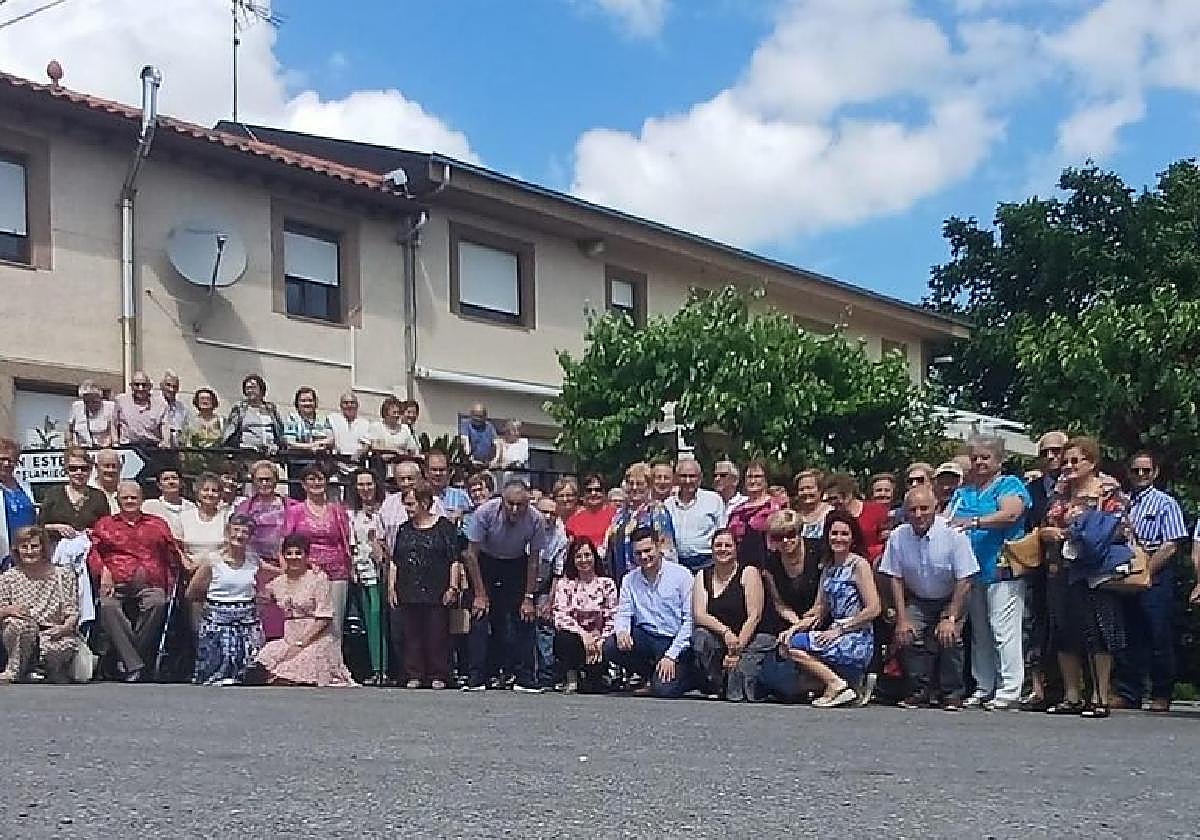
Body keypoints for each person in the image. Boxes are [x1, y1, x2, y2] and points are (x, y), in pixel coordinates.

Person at [1042, 436, 1128, 718]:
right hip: (1062, 567)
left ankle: (1100, 696)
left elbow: (1121, 528)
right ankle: (1071, 695)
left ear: (1091, 462)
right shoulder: (1060, 490)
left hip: (1095, 568)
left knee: (1100, 631)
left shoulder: (1106, 491)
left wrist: (1078, 533)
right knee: (1064, 630)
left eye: (1074, 460)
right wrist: (1049, 533)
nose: (1068, 466)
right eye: (1065, 461)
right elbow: (1048, 522)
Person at [948, 435, 1030, 710]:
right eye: (975, 458)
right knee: (980, 632)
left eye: (985, 457)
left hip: (1002, 567)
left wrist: (974, 522)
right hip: (972, 571)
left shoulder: (1009, 485)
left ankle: (1010, 688)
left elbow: (1010, 515)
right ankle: (984, 685)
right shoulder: (964, 491)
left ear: (998, 460)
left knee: (1002, 629)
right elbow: (948, 520)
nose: (980, 462)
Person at [880, 487, 979, 710]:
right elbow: (894, 577)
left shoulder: (954, 533)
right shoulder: (899, 536)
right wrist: (902, 618)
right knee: (908, 634)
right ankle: (918, 690)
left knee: (949, 636)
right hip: (919, 598)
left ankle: (952, 692)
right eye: (913, 509)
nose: (918, 514)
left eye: (924, 508)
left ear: (935, 508)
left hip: (952, 595)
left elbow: (966, 578)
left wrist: (951, 616)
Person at [780, 510, 880, 707]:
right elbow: (819, 610)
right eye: (834, 533)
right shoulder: (828, 567)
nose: (838, 538)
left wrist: (841, 629)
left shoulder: (858, 565)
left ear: (852, 538)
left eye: (844, 534)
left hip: (855, 635)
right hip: (833, 633)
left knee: (794, 647)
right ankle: (849, 682)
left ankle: (836, 684)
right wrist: (792, 629)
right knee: (788, 644)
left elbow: (874, 608)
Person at [1112, 451, 1187, 712]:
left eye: (1146, 470)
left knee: (1158, 634)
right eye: (1136, 471)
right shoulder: (1122, 502)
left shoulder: (1166, 503)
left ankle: (1161, 693)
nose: (1141, 475)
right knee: (1127, 635)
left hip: (1155, 571)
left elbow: (1172, 544)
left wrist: (1147, 572)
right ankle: (1128, 692)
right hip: (1125, 570)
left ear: (1155, 473)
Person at [87, 481, 183, 682]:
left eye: (134, 498)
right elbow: (93, 553)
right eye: (125, 498)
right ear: (118, 500)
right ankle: (136, 663)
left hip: (150, 582)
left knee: (157, 602)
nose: (130, 501)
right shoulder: (105, 524)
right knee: (107, 606)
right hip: (115, 581)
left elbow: (172, 552)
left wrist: (176, 573)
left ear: (141, 500)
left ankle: (128, 661)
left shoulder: (157, 524)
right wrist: (103, 571)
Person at [461, 480, 545, 692]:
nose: (515, 510)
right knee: (480, 615)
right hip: (485, 561)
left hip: (516, 563)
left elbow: (534, 559)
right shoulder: (485, 512)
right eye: (510, 504)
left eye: (520, 505)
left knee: (524, 617)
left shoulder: (536, 519)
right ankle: (477, 677)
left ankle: (524, 678)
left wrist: (528, 597)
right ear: (502, 500)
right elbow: (471, 555)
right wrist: (480, 594)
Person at [603, 527, 696, 697]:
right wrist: (622, 631)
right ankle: (650, 674)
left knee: (664, 690)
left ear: (659, 546)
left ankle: (690, 677)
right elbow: (623, 612)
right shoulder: (629, 579)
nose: (644, 557)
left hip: (675, 641)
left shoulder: (682, 575)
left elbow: (690, 621)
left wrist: (671, 655)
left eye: (648, 550)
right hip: (647, 637)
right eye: (638, 553)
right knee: (611, 645)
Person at [255, 534, 356, 687]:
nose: (293, 557)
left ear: (306, 556)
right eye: (289, 553)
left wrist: (302, 642)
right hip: (289, 638)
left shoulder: (318, 578)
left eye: (298, 553)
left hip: (317, 638)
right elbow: (259, 600)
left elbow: (325, 618)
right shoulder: (277, 583)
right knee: (265, 660)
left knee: (296, 666)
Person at [391, 480, 461, 689]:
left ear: (424, 503)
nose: (408, 509)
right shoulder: (403, 529)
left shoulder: (444, 527)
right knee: (411, 634)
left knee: (437, 633)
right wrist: (391, 587)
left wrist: (453, 587)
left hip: (436, 588)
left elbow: (454, 560)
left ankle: (438, 674)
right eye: (406, 504)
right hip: (408, 587)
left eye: (411, 504)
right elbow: (396, 560)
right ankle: (414, 673)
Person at [691, 529, 773, 701]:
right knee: (700, 637)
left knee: (737, 694)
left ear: (736, 548)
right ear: (711, 549)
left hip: (751, 637)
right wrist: (726, 633)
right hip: (722, 638)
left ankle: (739, 678)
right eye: (718, 545)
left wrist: (736, 650)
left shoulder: (748, 572)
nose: (723, 549)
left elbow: (754, 616)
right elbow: (700, 614)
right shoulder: (702, 575)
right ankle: (716, 681)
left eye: (728, 545)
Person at [1019, 431, 1067, 711]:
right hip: (1037, 566)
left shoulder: (1079, 487)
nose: (1051, 457)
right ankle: (1038, 689)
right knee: (1037, 627)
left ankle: (1069, 689)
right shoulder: (1033, 488)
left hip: (1071, 567)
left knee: (1067, 627)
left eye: (1056, 451)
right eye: (1045, 452)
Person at [185, 514, 263, 685]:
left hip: (247, 622)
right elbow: (192, 592)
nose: (239, 536)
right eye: (236, 531)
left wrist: (310, 568)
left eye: (245, 532)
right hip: (218, 621)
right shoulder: (212, 561)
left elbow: (280, 574)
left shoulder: (254, 560)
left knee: (249, 671)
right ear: (227, 533)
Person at [755, 509, 824, 701]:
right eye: (778, 537)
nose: (785, 541)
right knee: (769, 679)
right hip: (790, 621)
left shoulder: (818, 551)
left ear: (799, 532)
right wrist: (795, 625)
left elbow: (822, 600)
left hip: (821, 618)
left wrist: (802, 625)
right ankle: (814, 685)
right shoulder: (770, 562)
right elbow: (779, 603)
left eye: (791, 535)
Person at [0, 526, 80, 683]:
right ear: (17, 549)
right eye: (24, 547)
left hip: (53, 631)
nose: (30, 551)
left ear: (44, 548)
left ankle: (43, 670)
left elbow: (72, 612)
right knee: (18, 625)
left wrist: (63, 628)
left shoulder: (63, 575)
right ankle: (15, 670)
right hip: (22, 632)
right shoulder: (8, 578)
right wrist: (9, 610)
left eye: (35, 546)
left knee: (61, 648)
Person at [282, 465, 352, 640]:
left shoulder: (337, 510)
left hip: (336, 572)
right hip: (307, 572)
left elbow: (345, 541)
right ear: (304, 485)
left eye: (320, 478)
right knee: (309, 623)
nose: (316, 483)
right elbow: (285, 543)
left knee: (334, 622)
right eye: (311, 479)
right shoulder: (295, 511)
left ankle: (334, 663)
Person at [235, 461, 293, 640]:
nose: (265, 484)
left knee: (284, 617)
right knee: (260, 617)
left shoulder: (290, 505)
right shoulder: (244, 508)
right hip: (256, 566)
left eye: (269, 479)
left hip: (286, 566)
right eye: (260, 480)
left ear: (276, 481)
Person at [552, 537, 617, 693]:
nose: (583, 560)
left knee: (592, 687)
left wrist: (600, 640)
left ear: (594, 557)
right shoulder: (565, 584)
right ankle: (571, 676)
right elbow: (560, 616)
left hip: (599, 642)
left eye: (587, 555)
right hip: (576, 640)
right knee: (563, 638)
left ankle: (599, 675)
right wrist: (584, 635)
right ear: (573, 560)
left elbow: (613, 616)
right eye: (579, 556)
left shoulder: (607, 584)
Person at [347, 467, 389, 685]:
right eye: (361, 484)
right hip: (363, 569)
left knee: (381, 619)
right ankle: (376, 668)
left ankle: (387, 667)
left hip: (384, 569)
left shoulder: (386, 508)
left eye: (369, 484)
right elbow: (351, 545)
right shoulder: (351, 513)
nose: (365, 488)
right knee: (370, 619)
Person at [606, 462, 677, 581]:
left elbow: (667, 550)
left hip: (650, 577)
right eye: (630, 483)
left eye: (639, 484)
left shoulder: (657, 511)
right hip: (622, 578)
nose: (634, 488)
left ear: (649, 486)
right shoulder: (620, 514)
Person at [533, 495, 569, 689]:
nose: (547, 517)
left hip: (546, 582)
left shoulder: (560, 537)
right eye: (543, 512)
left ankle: (547, 674)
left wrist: (550, 601)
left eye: (552, 513)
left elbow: (558, 572)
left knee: (545, 625)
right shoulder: (525, 527)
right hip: (523, 581)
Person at [666, 459, 726, 572]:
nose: (688, 480)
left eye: (692, 476)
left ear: (700, 477)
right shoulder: (668, 505)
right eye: (683, 476)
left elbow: (722, 532)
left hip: (707, 561)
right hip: (678, 563)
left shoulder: (713, 500)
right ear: (676, 478)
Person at [38, 447, 111, 539]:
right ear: (66, 470)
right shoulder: (53, 494)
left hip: (90, 549)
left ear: (90, 470)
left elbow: (108, 527)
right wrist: (56, 527)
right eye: (73, 468)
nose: (79, 472)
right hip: (57, 549)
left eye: (84, 468)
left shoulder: (99, 497)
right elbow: (39, 526)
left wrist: (94, 531)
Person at [726, 458, 783, 569]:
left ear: (766, 480)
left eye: (757, 477)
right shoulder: (737, 511)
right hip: (741, 566)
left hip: (770, 566)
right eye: (749, 477)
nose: (753, 481)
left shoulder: (775, 507)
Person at [824, 472, 888, 562]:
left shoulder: (876, 510)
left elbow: (886, 542)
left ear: (849, 494)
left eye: (836, 498)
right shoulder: (832, 517)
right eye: (830, 499)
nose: (833, 502)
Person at [179, 472, 231, 573]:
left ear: (220, 495)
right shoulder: (185, 516)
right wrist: (186, 563)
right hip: (190, 571)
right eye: (205, 490)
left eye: (214, 490)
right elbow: (179, 548)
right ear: (198, 492)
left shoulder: (227, 517)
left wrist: (206, 564)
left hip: (219, 571)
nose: (210, 494)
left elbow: (229, 549)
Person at [223, 374, 285, 453]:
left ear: (261, 389)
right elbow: (230, 431)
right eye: (247, 388)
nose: (249, 391)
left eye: (253, 387)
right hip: (247, 452)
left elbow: (279, 430)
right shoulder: (240, 408)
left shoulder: (271, 408)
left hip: (271, 453)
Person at [0, 438, 36, 568]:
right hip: (3, 554)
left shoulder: (24, 485)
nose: (6, 464)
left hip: (27, 553)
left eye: (11, 460)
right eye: (2, 459)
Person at [566, 474, 616, 559]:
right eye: (589, 490)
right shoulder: (573, 520)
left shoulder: (615, 515)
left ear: (604, 492)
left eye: (598, 490)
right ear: (583, 494)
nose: (593, 493)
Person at [114, 370, 169, 448]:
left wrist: (165, 442)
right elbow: (114, 423)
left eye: (144, 385)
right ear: (131, 386)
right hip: (128, 447)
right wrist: (115, 443)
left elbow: (165, 427)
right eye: (137, 385)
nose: (141, 388)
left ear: (150, 386)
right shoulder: (121, 400)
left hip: (152, 448)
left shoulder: (161, 404)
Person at [141, 465, 197, 540]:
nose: (171, 482)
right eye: (166, 479)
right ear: (159, 485)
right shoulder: (149, 507)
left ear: (181, 483)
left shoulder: (191, 507)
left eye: (174, 478)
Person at [180, 388, 224, 474]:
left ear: (213, 402)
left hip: (216, 465)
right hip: (195, 466)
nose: (205, 401)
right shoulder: (189, 421)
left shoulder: (222, 421)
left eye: (208, 399)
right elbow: (184, 443)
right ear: (197, 402)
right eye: (202, 399)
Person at [369, 396, 420, 467]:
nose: (397, 415)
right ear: (386, 413)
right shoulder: (376, 427)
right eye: (394, 412)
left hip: (401, 466)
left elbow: (412, 450)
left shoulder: (404, 429)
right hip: (381, 466)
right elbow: (374, 446)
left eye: (398, 412)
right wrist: (395, 450)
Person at [426, 449, 471, 523]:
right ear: (426, 472)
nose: (438, 473)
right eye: (434, 470)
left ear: (448, 472)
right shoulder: (417, 498)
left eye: (442, 470)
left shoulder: (462, 496)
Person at [68, 380, 117, 448]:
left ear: (100, 398)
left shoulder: (110, 407)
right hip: (82, 448)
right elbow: (69, 429)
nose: (91, 404)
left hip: (104, 448)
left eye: (94, 401)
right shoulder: (76, 406)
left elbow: (114, 431)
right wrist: (70, 444)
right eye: (87, 401)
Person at [490, 419, 530, 487]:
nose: (517, 433)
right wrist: (500, 448)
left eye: (518, 430)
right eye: (514, 430)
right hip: (500, 483)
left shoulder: (523, 443)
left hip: (517, 483)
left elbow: (518, 462)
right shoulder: (498, 443)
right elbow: (492, 463)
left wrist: (505, 465)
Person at [459, 403, 498, 468]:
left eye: (480, 416)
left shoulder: (490, 426)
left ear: (485, 416)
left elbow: (497, 444)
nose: (478, 418)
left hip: (486, 464)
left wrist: (493, 461)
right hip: (470, 464)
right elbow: (464, 442)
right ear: (471, 414)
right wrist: (470, 459)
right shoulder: (465, 424)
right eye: (476, 416)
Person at [158, 370, 190, 448]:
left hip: (177, 449)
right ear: (161, 386)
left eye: (174, 386)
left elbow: (186, 429)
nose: (171, 389)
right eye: (168, 385)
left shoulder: (182, 408)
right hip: (157, 450)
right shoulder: (154, 405)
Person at [91, 448, 123, 513]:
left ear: (120, 467)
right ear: (97, 467)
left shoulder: (127, 491)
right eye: (106, 466)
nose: (110, 470)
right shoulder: (88, 492)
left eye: (114, 466)